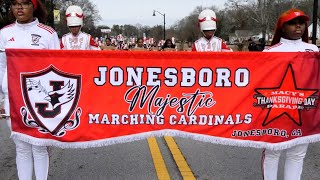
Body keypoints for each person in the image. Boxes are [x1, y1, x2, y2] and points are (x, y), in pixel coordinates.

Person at [0, 0, 60, 179]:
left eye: (25, 3)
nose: (19, 7)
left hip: (39, 99)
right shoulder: (4, 33)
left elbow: (57, 70)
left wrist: (55, 101)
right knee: (22, 147)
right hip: (13, 98)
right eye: (15, 3)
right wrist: (2, 97)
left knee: (39, 146)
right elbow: (2, 67)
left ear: (34, 6)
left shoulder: (48, 34)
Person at [262, 8, 319, 180]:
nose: (298, 27)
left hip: (304, 110)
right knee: (272, 154)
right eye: (292, 23)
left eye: (301, 23)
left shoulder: (313, 50)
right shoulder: (270, 52)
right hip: (276, 110)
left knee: (297, 155)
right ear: (282, 27)